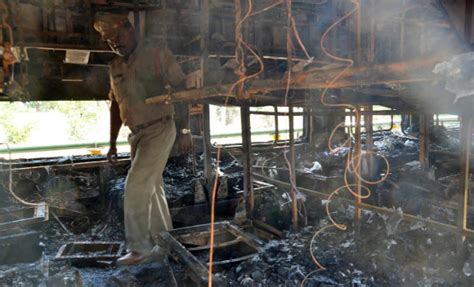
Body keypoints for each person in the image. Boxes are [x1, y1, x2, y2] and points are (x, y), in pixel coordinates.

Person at [94, 13, 192, 265]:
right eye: (109, 41)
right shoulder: (114, 67)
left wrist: (184, 130)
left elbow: (181, 91)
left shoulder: (157, 55)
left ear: (130, 28)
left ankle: (139, 249)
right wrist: (113, 142)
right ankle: (164, 240)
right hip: (136, 134)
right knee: (152, 188)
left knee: (135, 186)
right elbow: (116, 106)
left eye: (118, 36)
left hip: (160, 128)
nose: (115, 43)